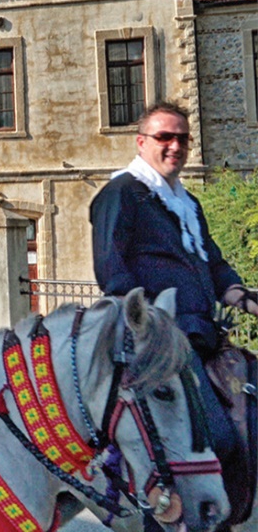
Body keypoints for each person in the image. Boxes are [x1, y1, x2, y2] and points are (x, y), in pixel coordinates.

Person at [90, 101, 256, 530]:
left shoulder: (187, 202)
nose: (175, 146)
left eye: (183, 138)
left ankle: (223, 518)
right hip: (165, 345)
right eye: (165, 137)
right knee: (211, 438)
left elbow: (213, 263)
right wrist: (148, 322)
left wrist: (240, 294)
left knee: (248, 423)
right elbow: (112, 270)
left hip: (203, 336)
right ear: (142, 142)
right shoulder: (122, 193)